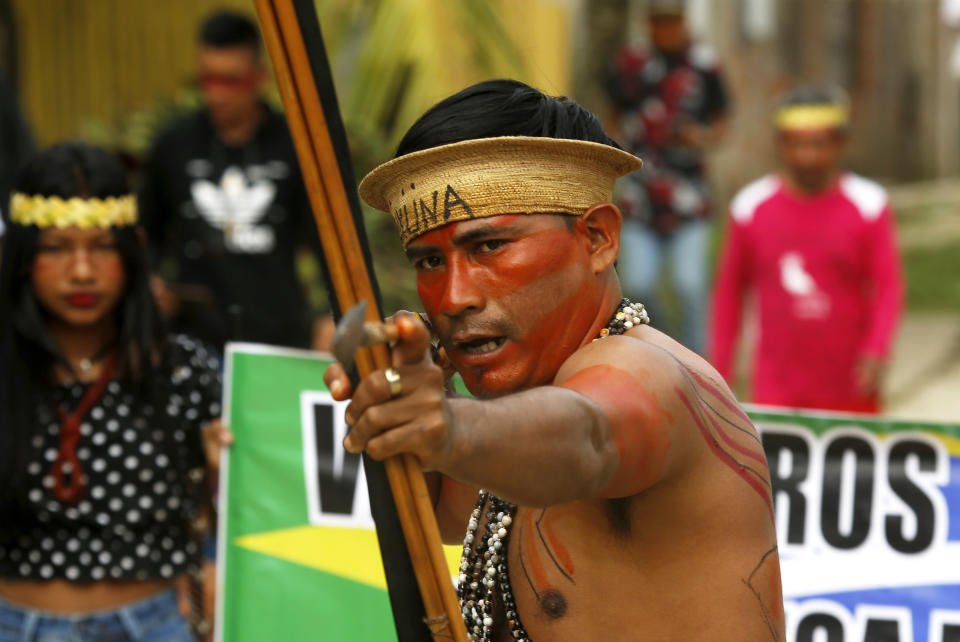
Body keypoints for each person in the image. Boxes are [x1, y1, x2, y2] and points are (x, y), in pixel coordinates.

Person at [325, 79, 783, 640]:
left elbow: (588, 438)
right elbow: (445, 517)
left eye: (488, 247)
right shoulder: (514, 406)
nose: (453, 297)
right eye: (428, 262)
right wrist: (411, 390)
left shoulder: (650, 376)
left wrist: (443, 426)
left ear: (596, 239)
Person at [0, 142, 230, 641]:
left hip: (156, 626)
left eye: (102, 246)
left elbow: (234, 511)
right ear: (19, 256)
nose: (82, 271)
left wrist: (224, 470)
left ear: (132, 251)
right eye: (56, 248)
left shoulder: (182, 370)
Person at [139, 9, 330, 351]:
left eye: (231, 81)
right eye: (208, 80)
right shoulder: (173, 145)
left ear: (259, 78)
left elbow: (328, 241)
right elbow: (144, 234)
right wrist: (149, 285)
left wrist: (332, 314)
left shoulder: (296, 145)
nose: (218, 95)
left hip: (279, 333)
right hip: (192, 337)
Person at [709, 86, 904, 414]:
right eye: (796, 144)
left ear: (840, 143)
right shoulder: (749, 208)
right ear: (780, 145)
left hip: (851, 387)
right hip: (775, 390)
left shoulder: (870, 205)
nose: (807, 156)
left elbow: (888, 287)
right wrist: (721, 372)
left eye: (819, 144)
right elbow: (729, 294)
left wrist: (877, 350)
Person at [605, 0, 728, 355]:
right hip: (642, 196)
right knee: (639, 283)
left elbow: (721, 118)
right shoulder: (631, 64)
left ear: (684, 21)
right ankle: (661, 352)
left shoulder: (704, 64)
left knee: (690, 285)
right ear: (648, 23)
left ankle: (699, 366)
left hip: (689, 196)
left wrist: (702, 138)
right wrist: (619, 146)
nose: (666, 29)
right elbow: (613, 111)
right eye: (659, 22)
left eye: (672, 21)